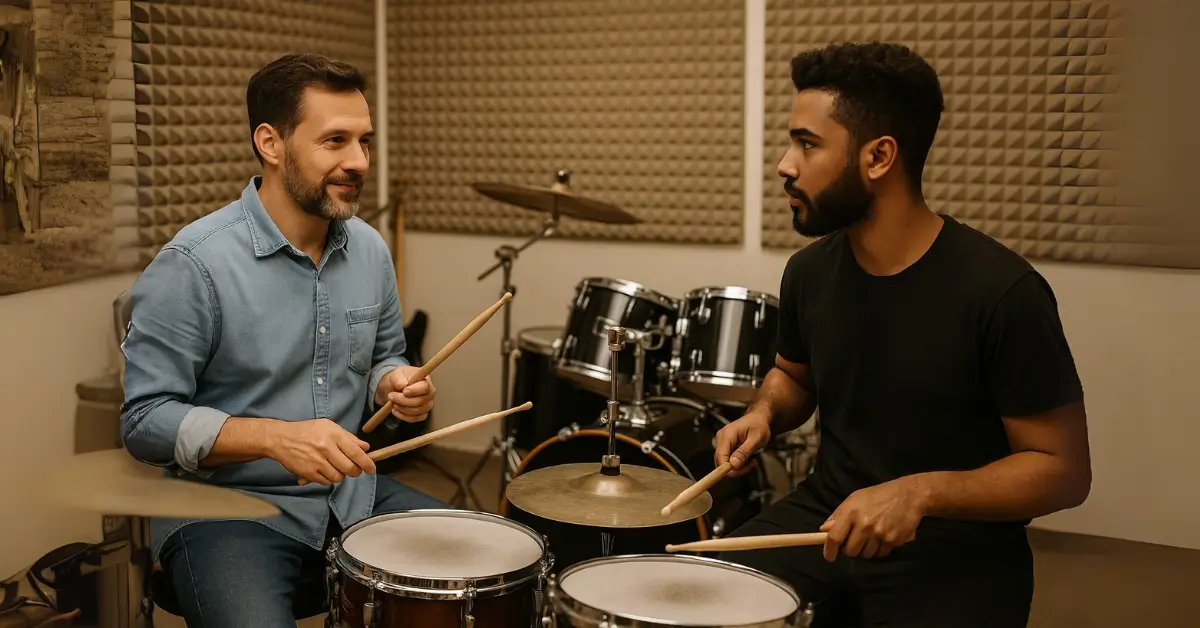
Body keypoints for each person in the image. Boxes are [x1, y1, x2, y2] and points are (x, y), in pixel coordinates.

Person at [714, 42, 1091, 627]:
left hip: (956, 548)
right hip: (828, 516)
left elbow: (1063, 470)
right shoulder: (809, 272)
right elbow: (794, 375)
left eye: (807, 144)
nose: (785, 165)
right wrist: (765, 413)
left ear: (880, 157)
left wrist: (918, 494)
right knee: (700, 600)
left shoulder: (1002, 292)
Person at [119, 53, 445, 626]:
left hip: (351, 493)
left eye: (364, 142)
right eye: (335, 141)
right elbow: (144, 421)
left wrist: (393, 382)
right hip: (226, 511)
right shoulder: (192, 264)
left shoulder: (369, 249)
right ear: (271, 143)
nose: (359, 161)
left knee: (486, 565)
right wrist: (275, 438)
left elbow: (386, 355)